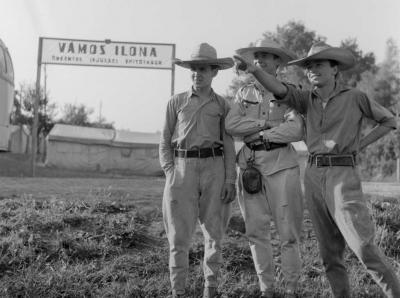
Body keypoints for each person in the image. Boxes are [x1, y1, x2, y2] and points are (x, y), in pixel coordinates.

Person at [234, 41, 400, 298]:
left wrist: (360, 145)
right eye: (309, 66)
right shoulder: (304, 99)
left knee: (363, 246)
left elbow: (389, 120)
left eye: (319, 65)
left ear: (335, 69)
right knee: (329, 254)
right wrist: (253, 70)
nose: (312, 70)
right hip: (312, 175)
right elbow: (278, 87)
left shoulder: (354, 97)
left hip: (343, 175)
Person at [225, 38, 304, 298]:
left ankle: (291, 289)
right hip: (250, 167)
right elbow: (232, 125)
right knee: (256, 232)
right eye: (257, 56)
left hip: (283, 167)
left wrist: (265, 137)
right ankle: (266, 289)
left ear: (278, 62)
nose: (260, 59)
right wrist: (265, 127)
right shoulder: (243, 92)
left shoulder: (289, 92)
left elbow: (296, 129)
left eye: (268, 56)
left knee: (288, 234)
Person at [159, 42, 236, 298]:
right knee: (178, 236)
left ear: (214, 72)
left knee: (214, 232)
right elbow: (164, 140)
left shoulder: (222, 105)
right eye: (193, 68)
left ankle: (210, 288)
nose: (197, 73)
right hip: (182, 169)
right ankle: (177, 290)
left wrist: (229, 179)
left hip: (214, 167)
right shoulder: (176, 102)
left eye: (203, 69)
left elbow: (228, 142)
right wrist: (171, 171)